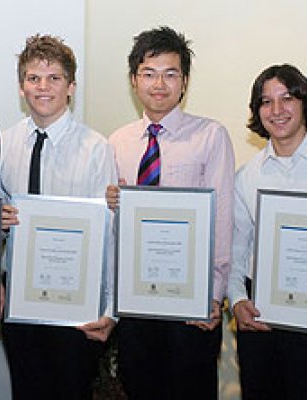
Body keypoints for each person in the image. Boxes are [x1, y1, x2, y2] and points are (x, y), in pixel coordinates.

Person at [106, 26, 235, 399]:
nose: (158, 84)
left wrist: (213, 295)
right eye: (148, 73)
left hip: (190, 306)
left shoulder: (211, 136)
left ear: (185, 81)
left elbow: (222, 218)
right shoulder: (118, 141)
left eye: (170, 73)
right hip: (136, 303)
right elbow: (112, 230)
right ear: (134, 81)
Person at [0, 34, 117, 400]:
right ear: (21, 87)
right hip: (18, 304)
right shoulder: (2, 144)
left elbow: (110, 234)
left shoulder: (97, 148)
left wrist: (111, 310)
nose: (43, 87)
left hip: (76, 307)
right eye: (34, 78)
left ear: (71, 87)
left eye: (54, 78)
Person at [227, 64, 307, 399]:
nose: (277, 110)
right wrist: (238, 301)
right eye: (265, 101)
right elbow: (236, 250)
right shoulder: (247, 176)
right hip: (261, 318)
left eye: (286, 98)